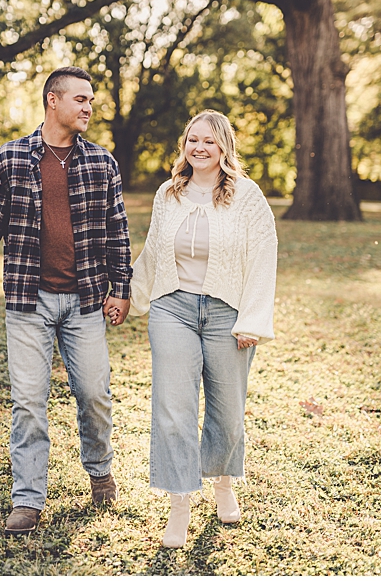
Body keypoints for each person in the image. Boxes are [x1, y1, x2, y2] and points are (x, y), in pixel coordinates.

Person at [0, 66, 132, 536]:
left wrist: (121, 287)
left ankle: (100, 473)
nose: (88, 107)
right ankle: (28, 499)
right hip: (27, 299)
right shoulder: (9, 160)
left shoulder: (102, 164)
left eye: (91, 100)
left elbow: (116, 231)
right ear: (52, 101)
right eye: (80, 99)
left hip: (84, 301)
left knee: (95, 393)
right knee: (28, 402)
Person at [130, 109, 278, 549]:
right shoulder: (168, 193)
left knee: (227, 411)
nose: (199, 148)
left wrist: (251, 319)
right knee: (174, 409)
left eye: (209, 142)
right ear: (184, 145)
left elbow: (263, 257)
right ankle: (179, 505)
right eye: (192, 139)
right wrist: (129, 297)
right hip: (171, 309)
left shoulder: (247, 197)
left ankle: (223, 482)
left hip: (226, 315)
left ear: (224, 148)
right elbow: (153, 253)